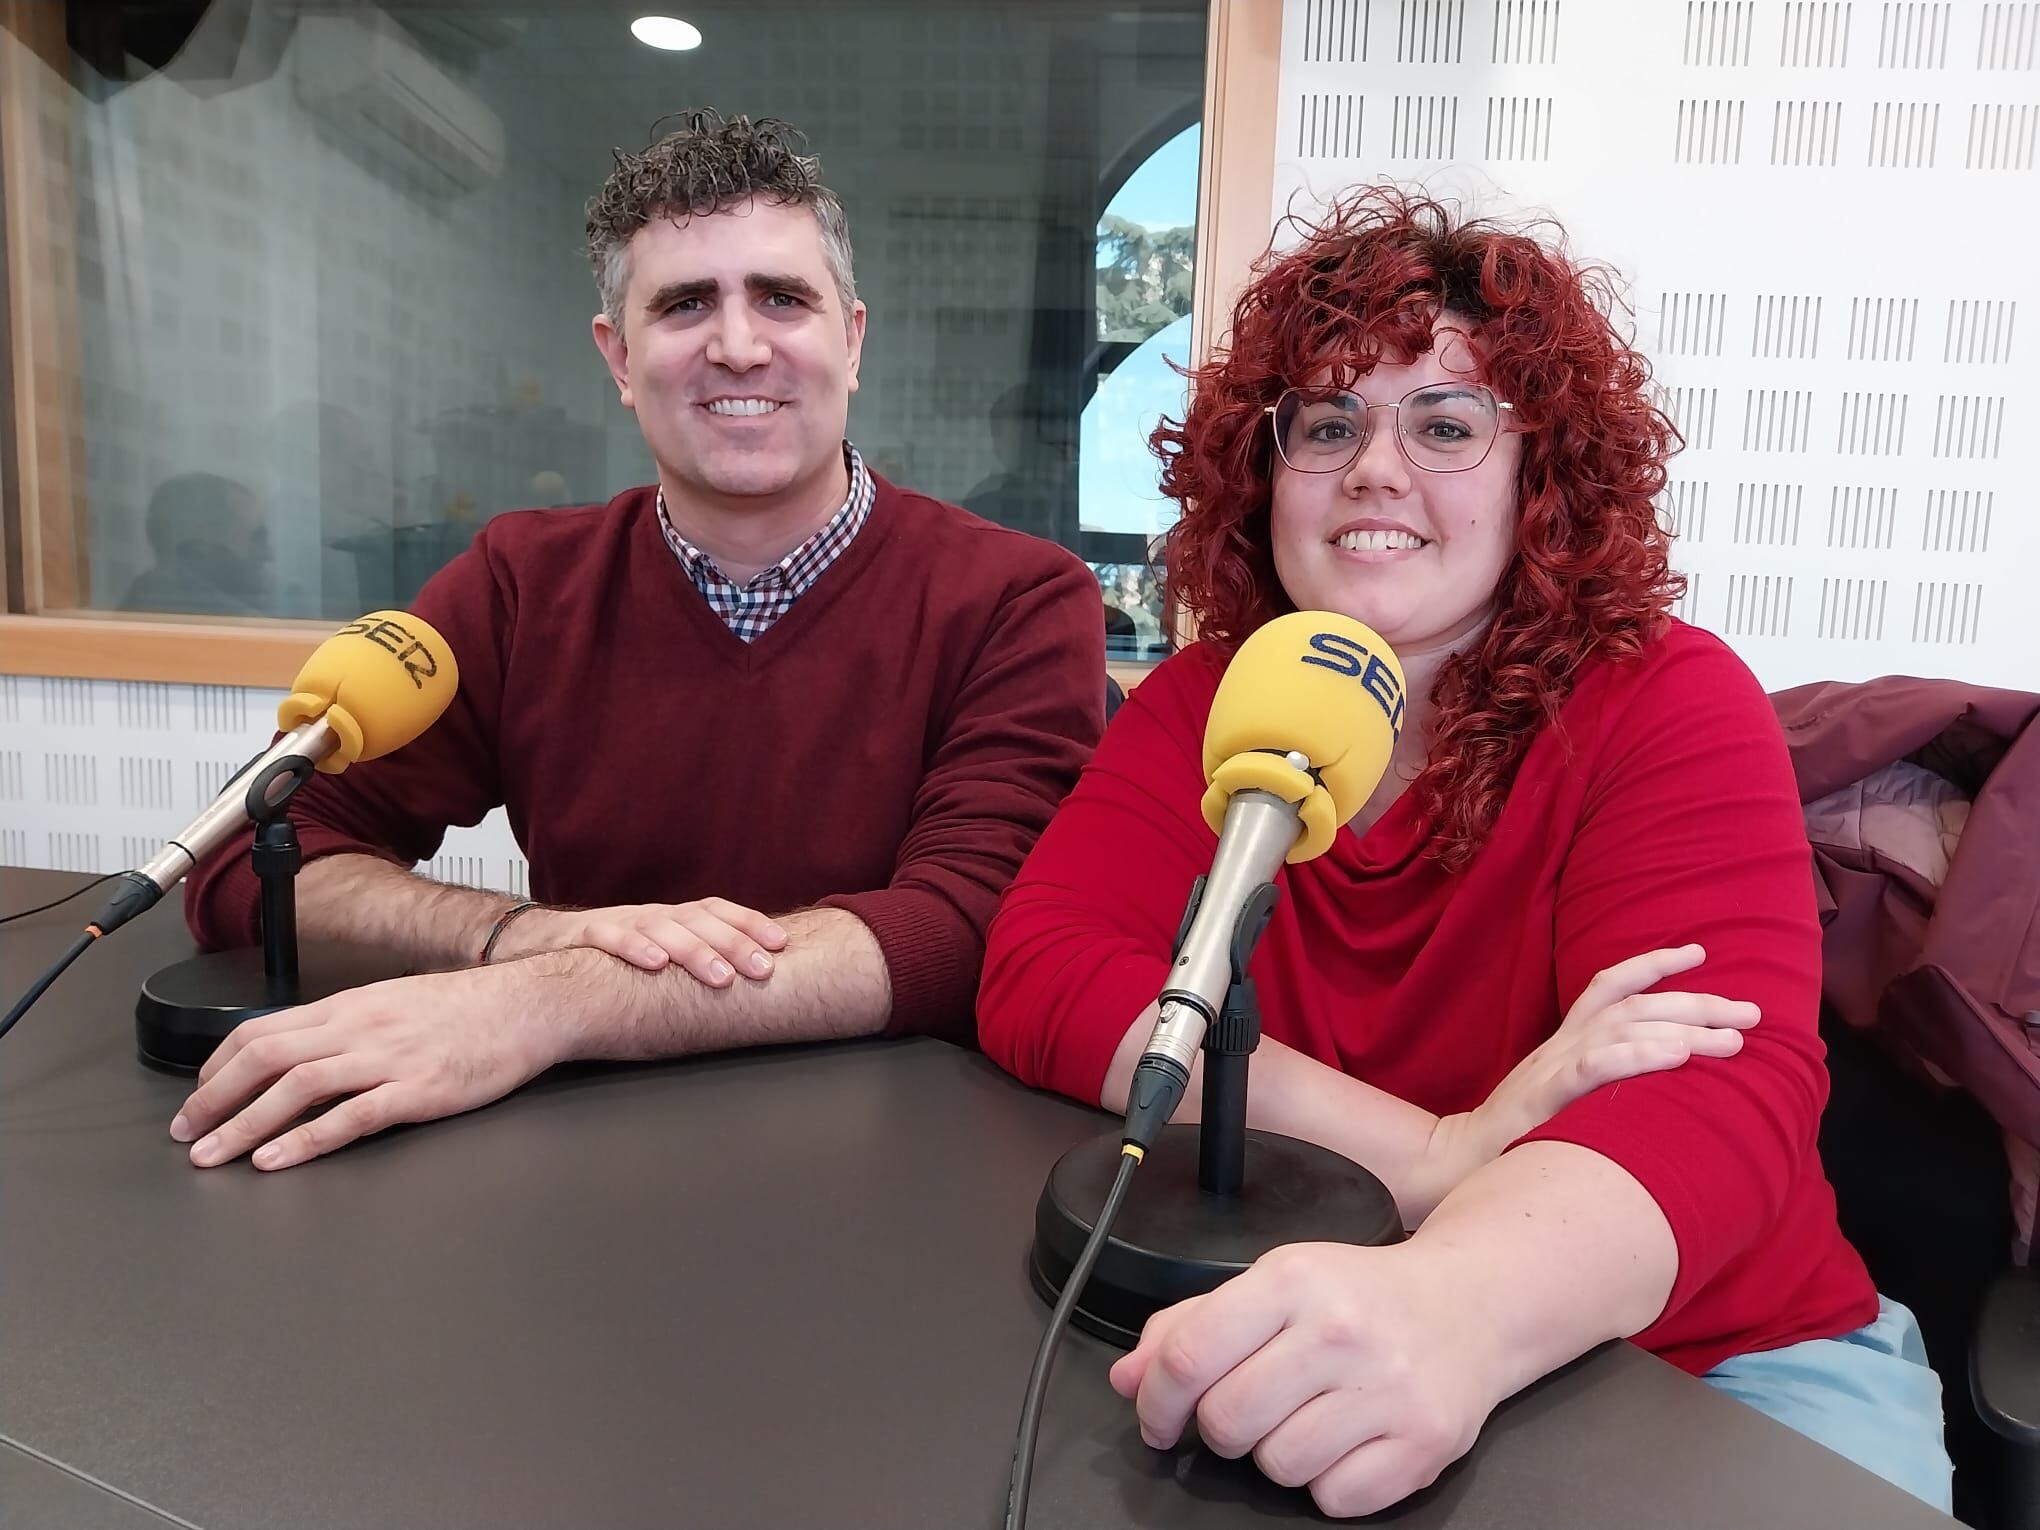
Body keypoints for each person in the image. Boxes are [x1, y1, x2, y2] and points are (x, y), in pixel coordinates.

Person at [976, 187, 1952, 1514]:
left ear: (1540, 477)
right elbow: (1043, 972)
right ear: (1263, 478)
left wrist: (1449, 1301)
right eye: (1327, 424)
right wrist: (1435, 1150)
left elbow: (1704, 1095)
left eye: (1444, 425)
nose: (1375, 468)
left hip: (1719, 1362)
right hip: (1338, 1334)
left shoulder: (1664, 700)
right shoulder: (1206, 708)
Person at [172, 111, 1102, 1172]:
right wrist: (510, 938)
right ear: (619, 357)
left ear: (850, 340)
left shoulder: (1019, 598)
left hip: (891, 1174)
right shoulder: (522, 583)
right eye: (685, 303)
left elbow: (967, 929)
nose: (738, 344)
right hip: (576, 1165)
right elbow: (255, 858)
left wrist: (549, 1001)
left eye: (782, 298)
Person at [119, 472, 274, 616]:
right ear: (204, 546)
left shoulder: (140, 610)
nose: (268, 554)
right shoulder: (232, 626)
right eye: (256, 537)